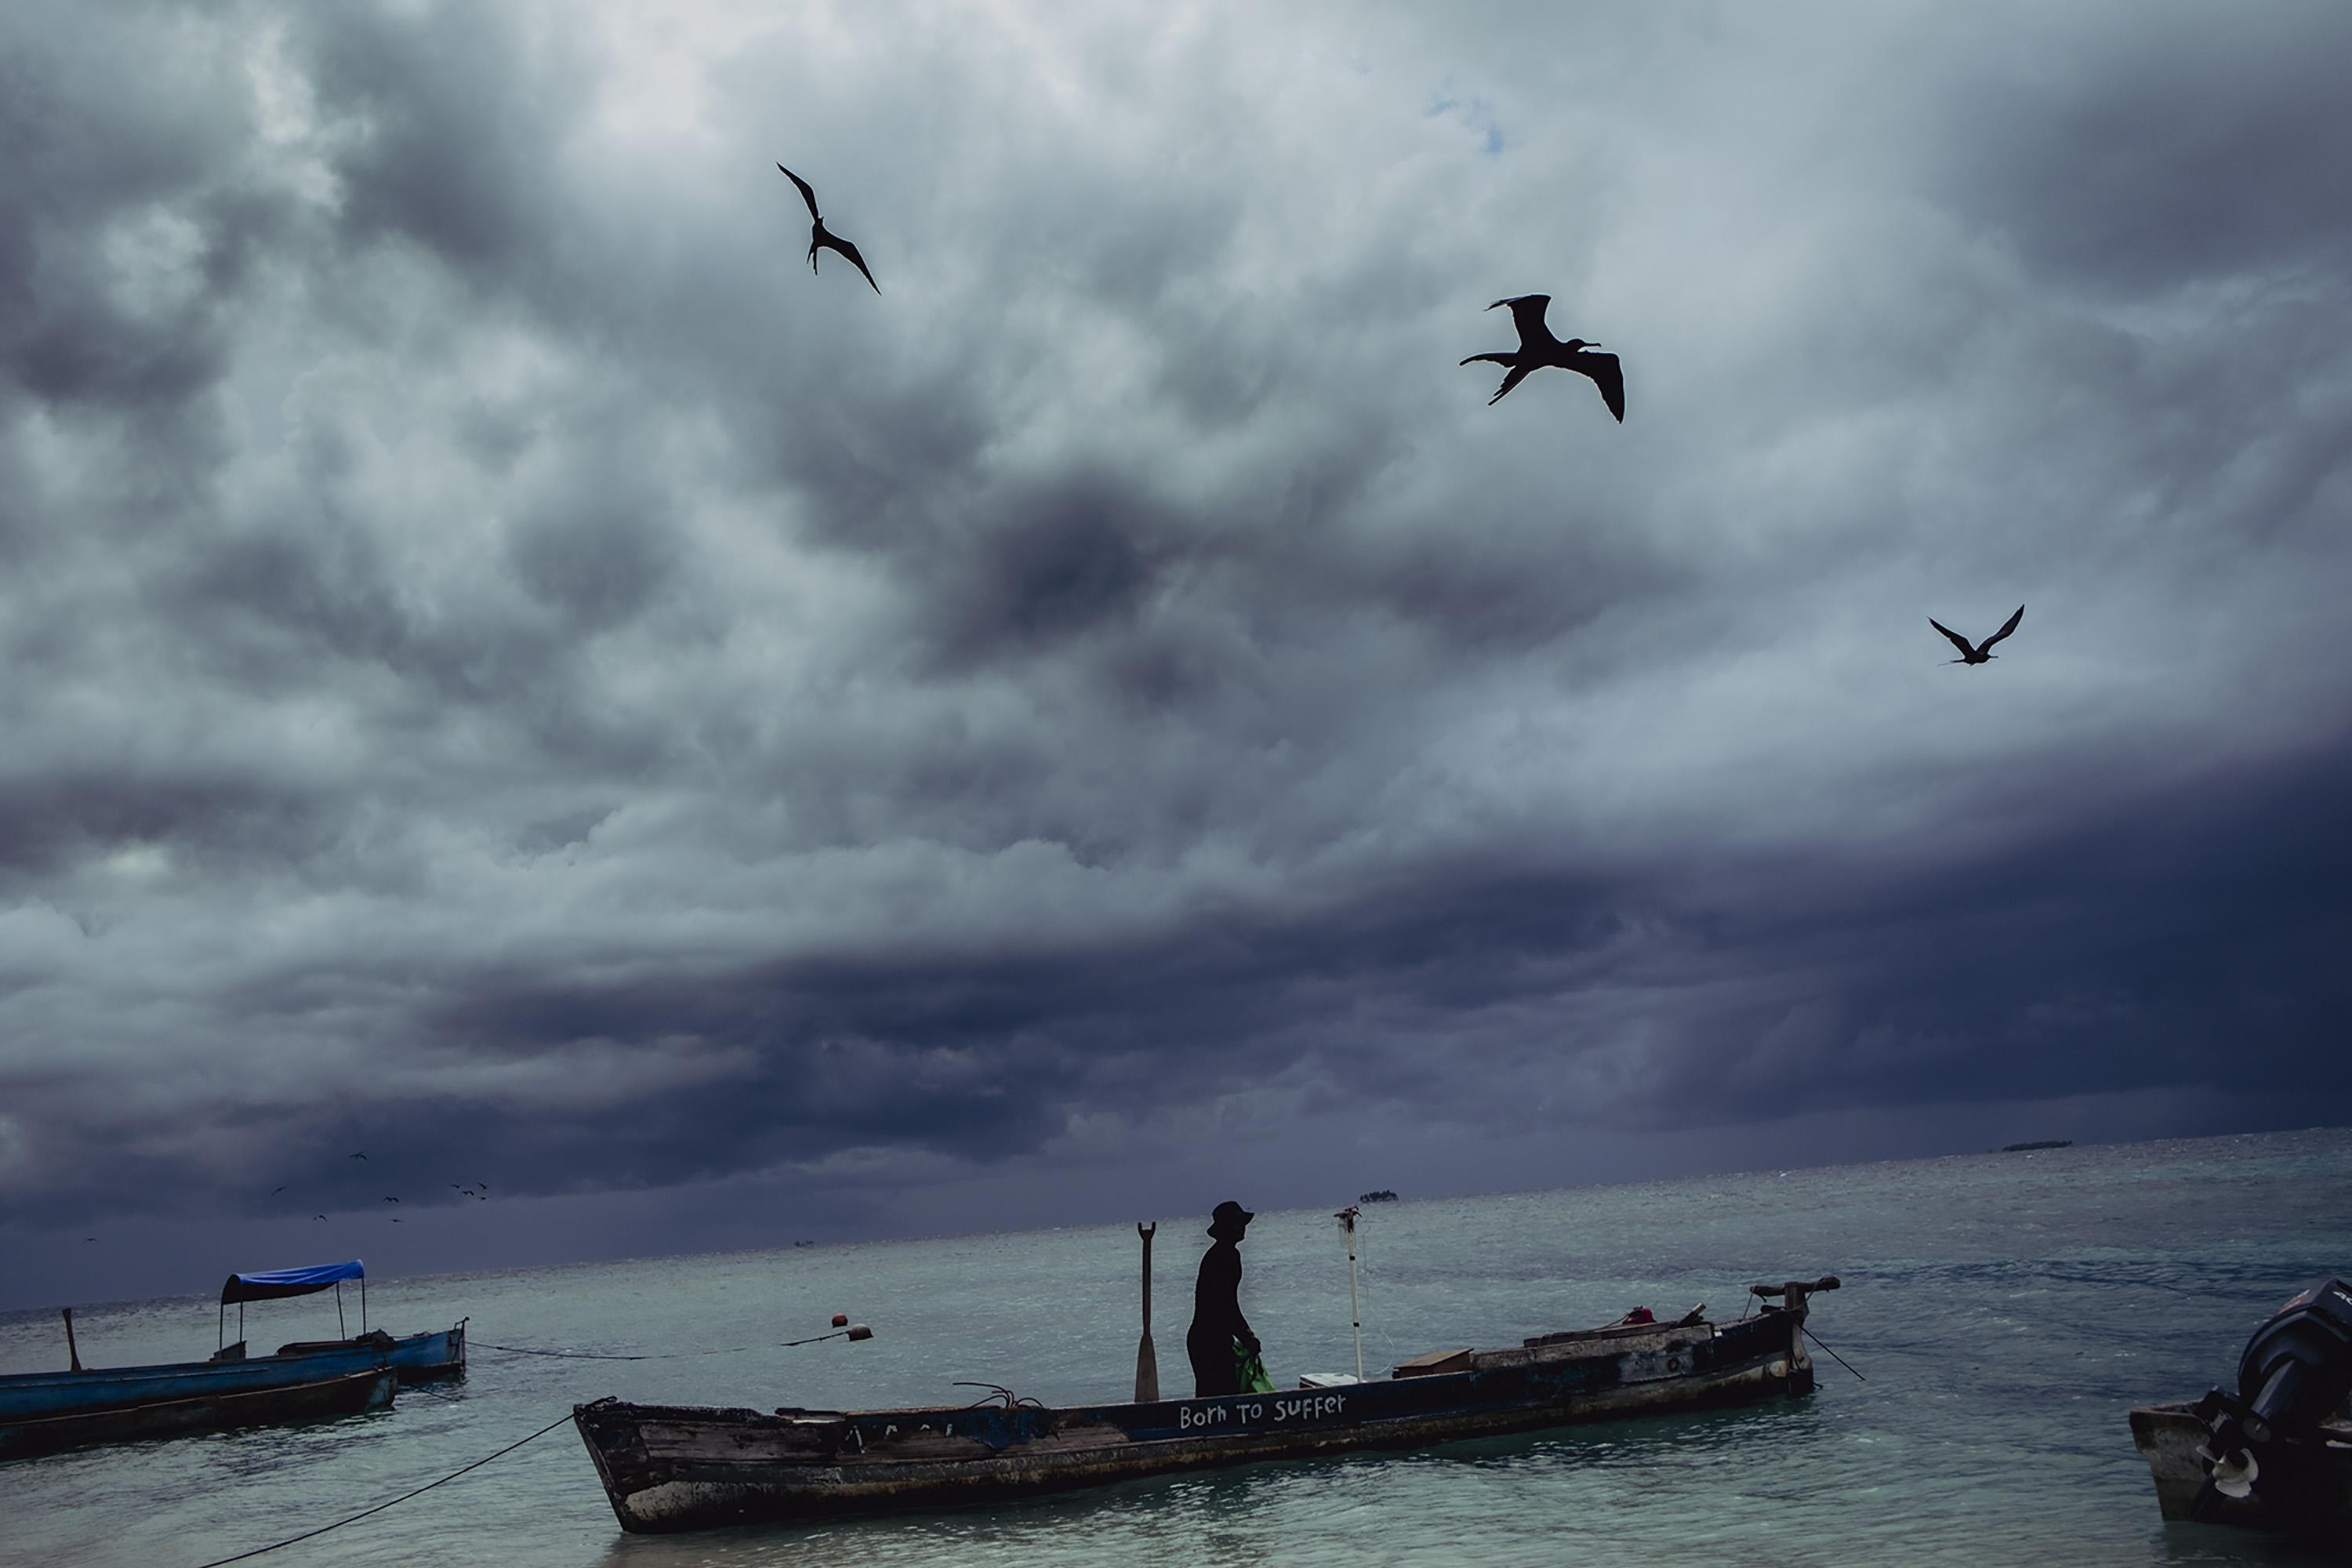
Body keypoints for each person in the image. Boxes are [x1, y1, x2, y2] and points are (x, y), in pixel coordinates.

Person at [1187, 1200, 1259, 1396]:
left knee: (1210, 1397)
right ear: (1227, 1228)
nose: (1242, 1228)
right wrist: (1246, 1335)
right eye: (1237, 1223)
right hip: (1211, 1340)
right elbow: (1225, 1303)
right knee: (1220, 1396)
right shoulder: (1227, 1256)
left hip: (1206, 1337)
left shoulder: (1216, 1255)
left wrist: (1244, 1333)